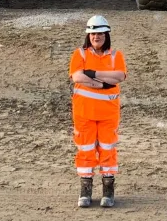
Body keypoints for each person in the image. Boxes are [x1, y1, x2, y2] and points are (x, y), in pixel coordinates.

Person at [68, 15, 128, 208]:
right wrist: (102, 84)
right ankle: (85, 191)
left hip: (108, 115)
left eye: (100, 33)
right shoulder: (80, 54)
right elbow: (77, 76)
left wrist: (92, 74)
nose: (96, 37)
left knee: (108, 150)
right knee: (85, 150)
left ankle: (108, 191)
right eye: (93, 33)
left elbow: (119, 76)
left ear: (106, 34)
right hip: (84, 114)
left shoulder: (115, 55)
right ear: (88, 35)